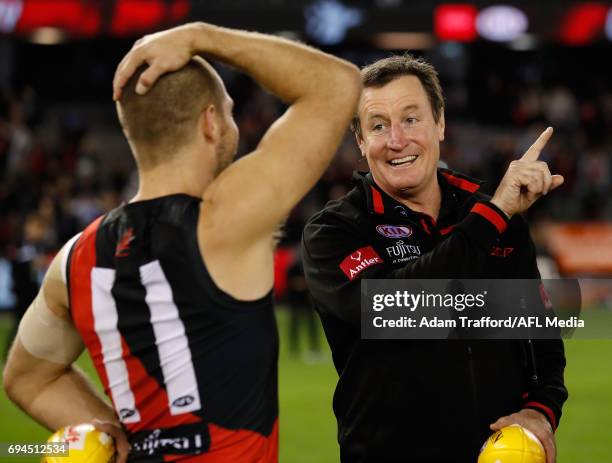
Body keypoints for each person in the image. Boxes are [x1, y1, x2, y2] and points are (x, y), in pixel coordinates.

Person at [3, 22, 361, 462]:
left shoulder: (75, 257)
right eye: (228, 111)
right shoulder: (226, 220)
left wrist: (114, 432)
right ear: (210, 123)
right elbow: (339, 84)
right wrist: (203, 36)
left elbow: (27, 379)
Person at [301, 55, 567, 463]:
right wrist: (494, 216)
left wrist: (541, 410)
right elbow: (393, 310)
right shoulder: (334, 231)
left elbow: (540, 335)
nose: (396, 140)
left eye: (411, 119)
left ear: (440, 123)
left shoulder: (495, 214)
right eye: (377, 126)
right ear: (360, 142)